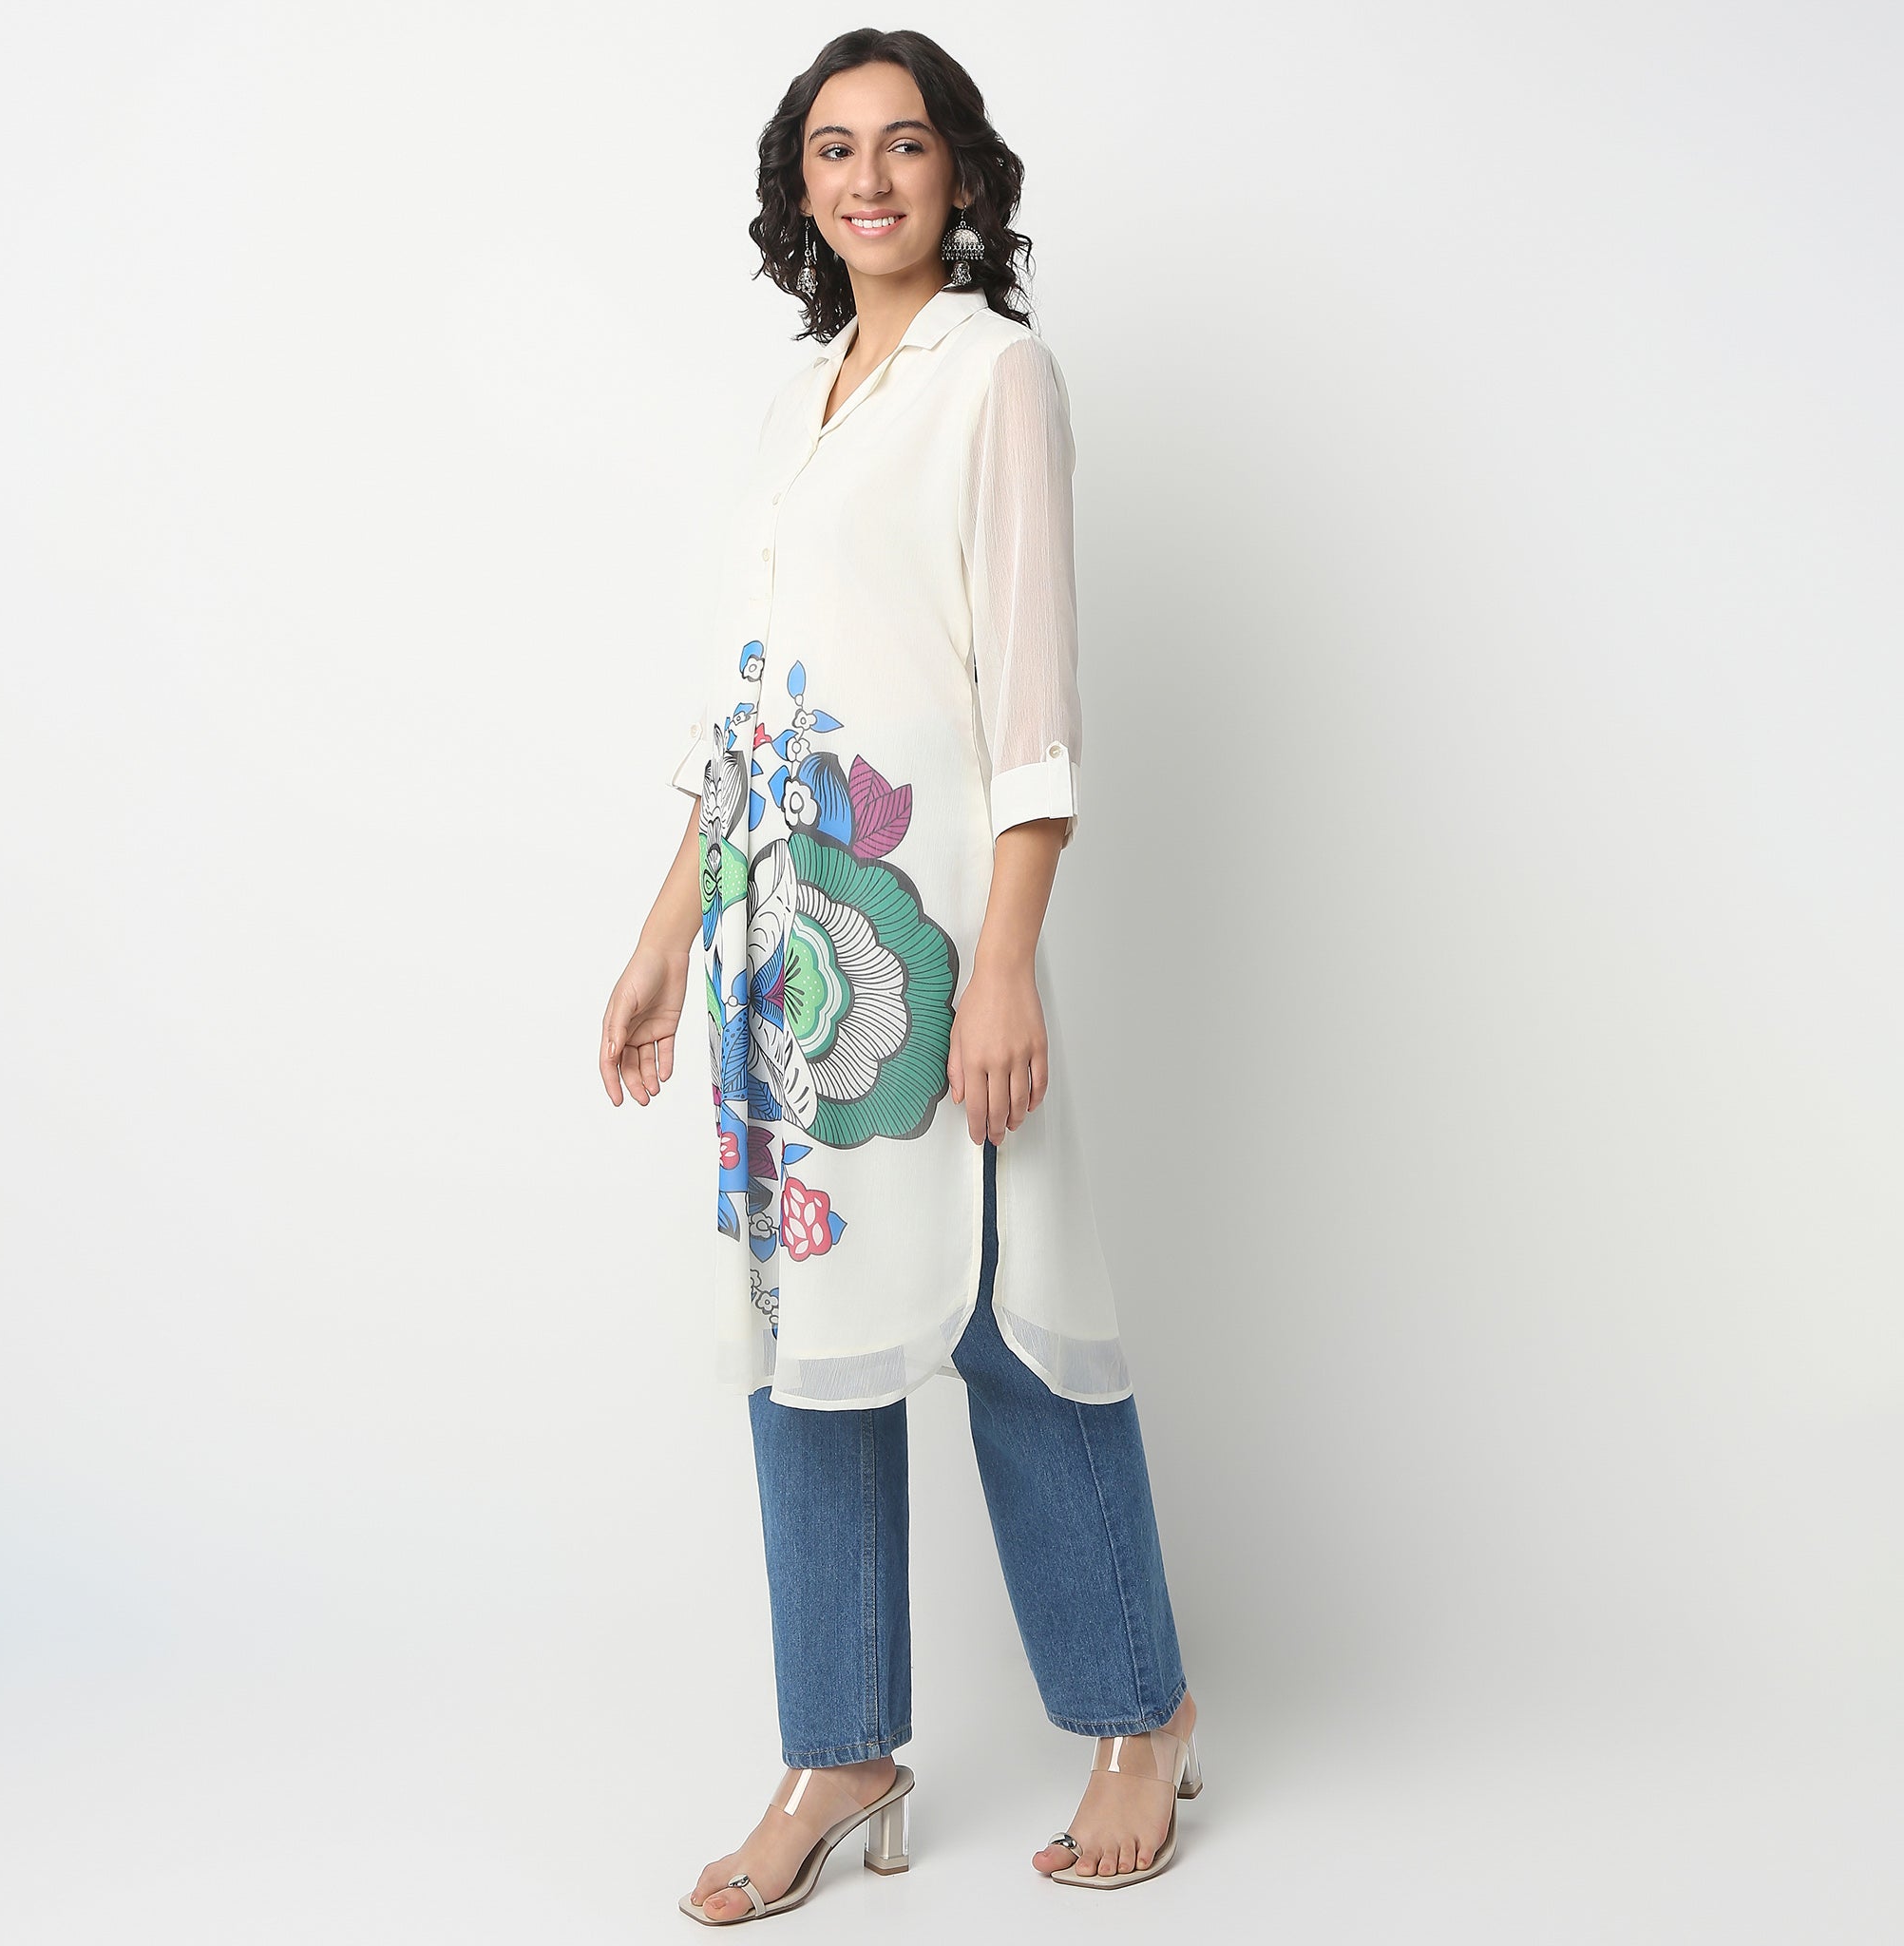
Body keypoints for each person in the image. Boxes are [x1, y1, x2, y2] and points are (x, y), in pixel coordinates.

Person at [600, 29, 1202, 1923]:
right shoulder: (800, 400)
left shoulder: (994, 374)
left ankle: (1140, 1710)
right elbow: (751, 710)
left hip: (925, 936)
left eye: (905, 144)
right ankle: (838, 1747)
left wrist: (1006, 964)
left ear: (960, 175)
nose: (868, 178)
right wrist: (665, 936)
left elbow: (1031, 702)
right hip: (778, 951)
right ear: (800, 186)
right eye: (834, 149)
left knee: (1007, 1314)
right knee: (809, 1341)